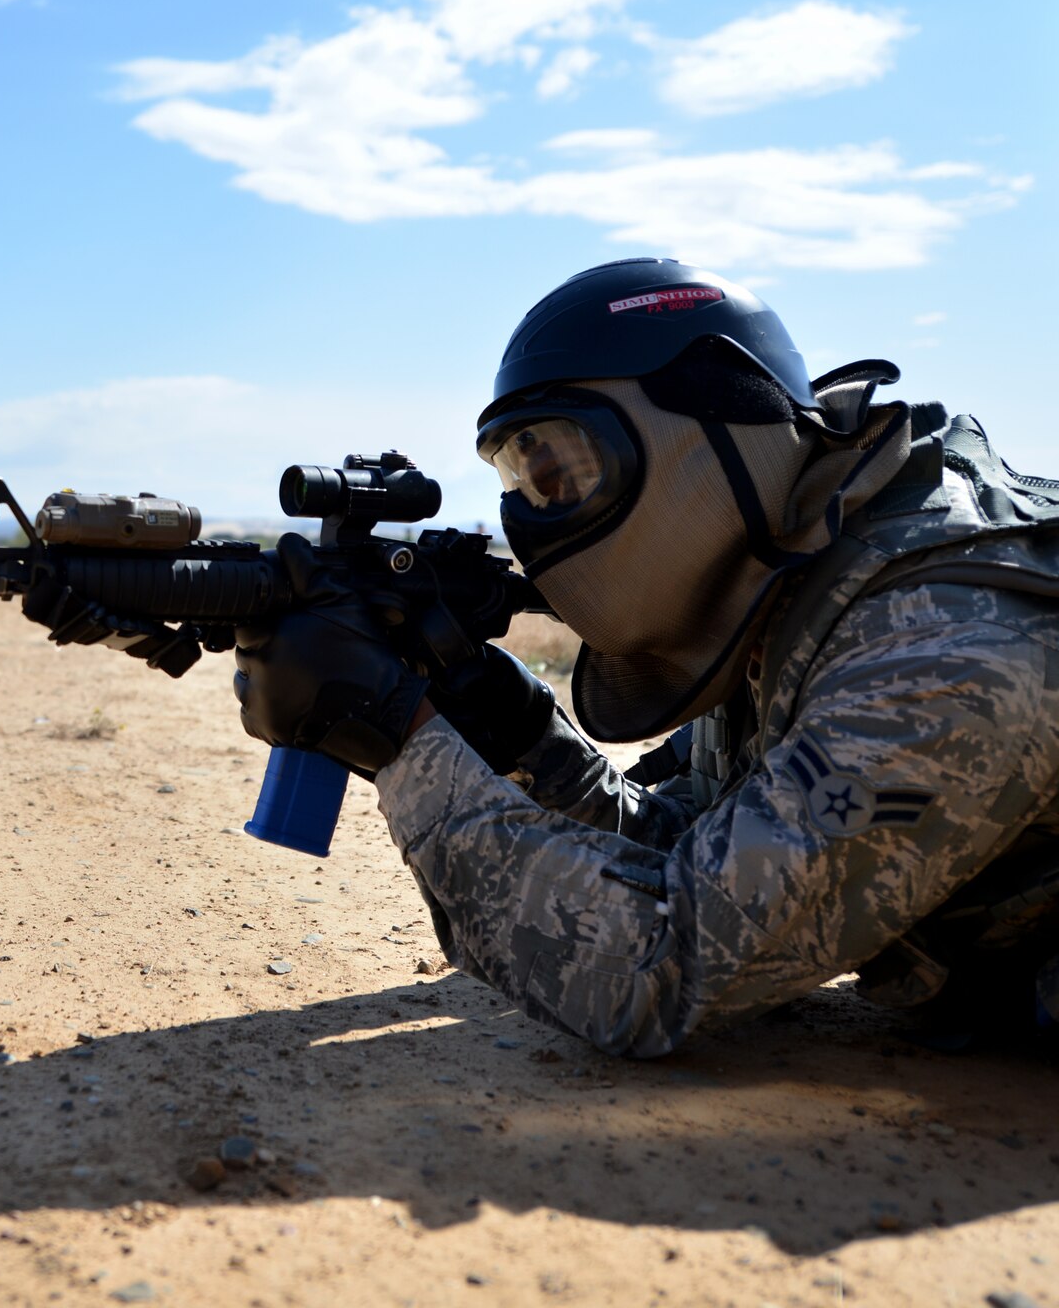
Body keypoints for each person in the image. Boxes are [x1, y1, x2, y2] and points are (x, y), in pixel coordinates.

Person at [231, 257, 1059, 1056]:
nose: (535, 514)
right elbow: (696, 854)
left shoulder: (937, 644)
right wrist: (512, 733)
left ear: (701, 436)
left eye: (562, 472)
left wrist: (400, 741)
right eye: (522, 478)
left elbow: (660, 964)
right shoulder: (793, 585)